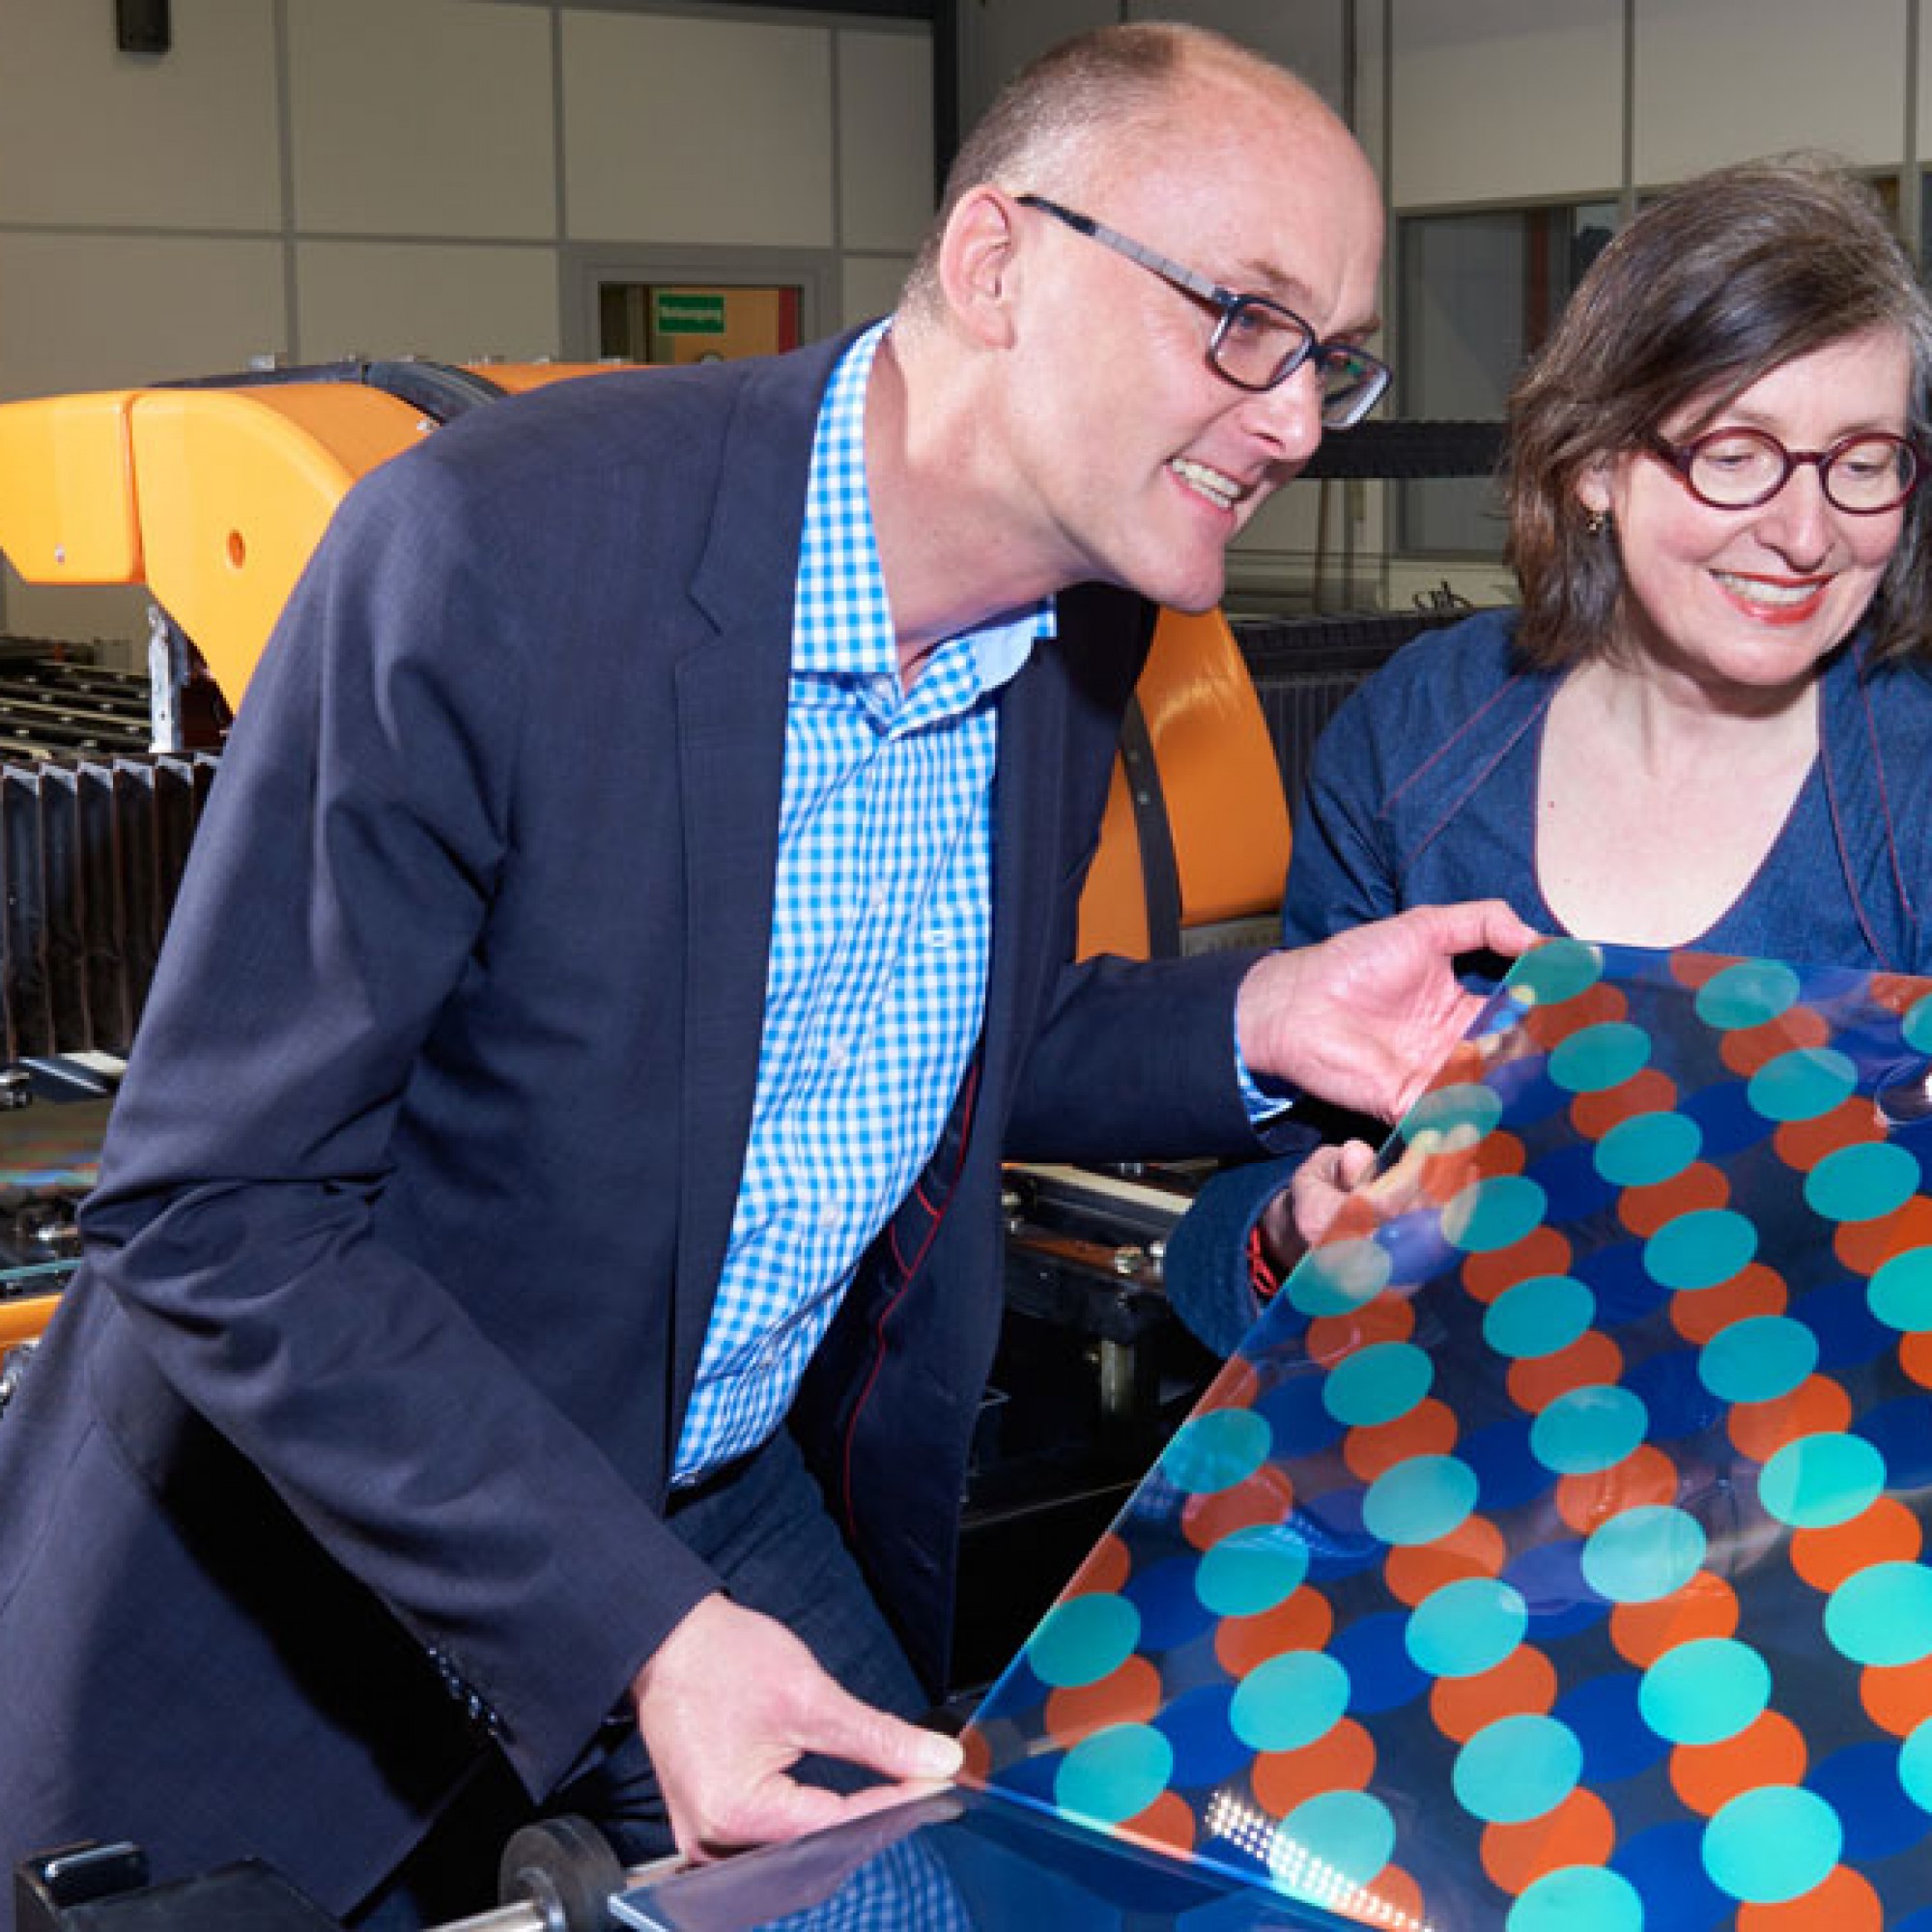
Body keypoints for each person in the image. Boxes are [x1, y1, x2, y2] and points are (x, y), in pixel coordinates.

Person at [0, 22, 1534, 1931]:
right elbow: (219, 1202)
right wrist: (633, 1625)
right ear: (994, 265)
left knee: (955, 1890)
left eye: (1329, 356)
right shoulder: (498, 553)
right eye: (1245, 319)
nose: (1300, 420)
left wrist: (1259, 1018)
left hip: (712, 1490)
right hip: (304, 1554)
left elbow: (911, 1032)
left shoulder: (1087, 615)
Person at [1165, 153, 1932, 1357]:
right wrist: (1285, 1235)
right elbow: (1237, 1209)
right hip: (1456, 1495)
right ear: (1592, 464)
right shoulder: (1421, 738)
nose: (1803, 532)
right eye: (1732, 453)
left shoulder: (1912, 786)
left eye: (1862, 460)